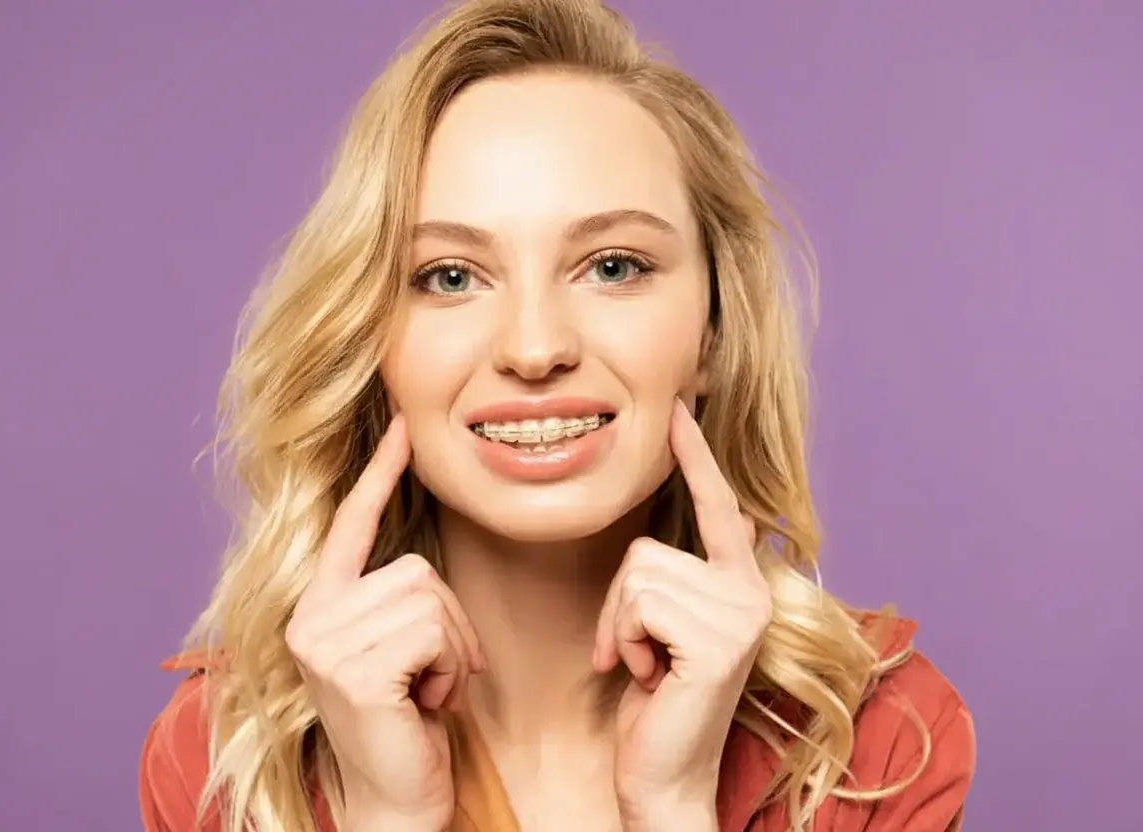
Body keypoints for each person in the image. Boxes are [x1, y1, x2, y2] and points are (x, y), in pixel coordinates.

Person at [138, 0, 975, 829]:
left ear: (715, 331)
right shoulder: (224, 758)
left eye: (613, 266)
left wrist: (674, 807)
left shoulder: (878, 742)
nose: (535, 349)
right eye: (450, 276)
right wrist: (388, 817)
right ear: (371, 343)